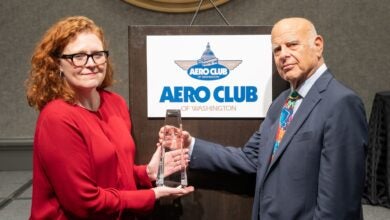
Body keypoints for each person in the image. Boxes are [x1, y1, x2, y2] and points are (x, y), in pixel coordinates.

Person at [161, 17, 368, 220]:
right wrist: (190, 145)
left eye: (292, 45)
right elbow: (250, 159)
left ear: (318, 45)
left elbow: (340, 202)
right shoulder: (281, 103)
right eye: (277, 49)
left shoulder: (341, 103)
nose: (283, 55)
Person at [26, 16, 193, 220]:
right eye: (78, 56)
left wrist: (147, 173)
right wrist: (151, 195)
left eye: (97, 55)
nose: (91, 64)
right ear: (58, 64)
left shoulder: (115, 103)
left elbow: (114, 174)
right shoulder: (57, 118)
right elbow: (84, 204)